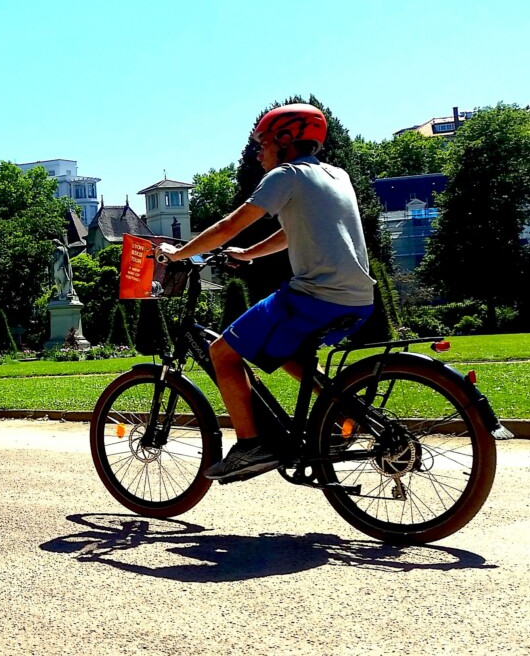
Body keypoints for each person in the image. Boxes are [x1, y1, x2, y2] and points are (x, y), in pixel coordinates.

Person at [159, 103, 375, 482]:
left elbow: (230, 225)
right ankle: (343, 412)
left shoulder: (286, 175)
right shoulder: (335, 175)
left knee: (222, 351)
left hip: (314, 297)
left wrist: (179, 253)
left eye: (262, 143)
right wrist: (250, 254)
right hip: (358, 299)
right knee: (284, 352)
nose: (258, 152)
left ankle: (250, 446)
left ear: (285, 140)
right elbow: (297, 230)